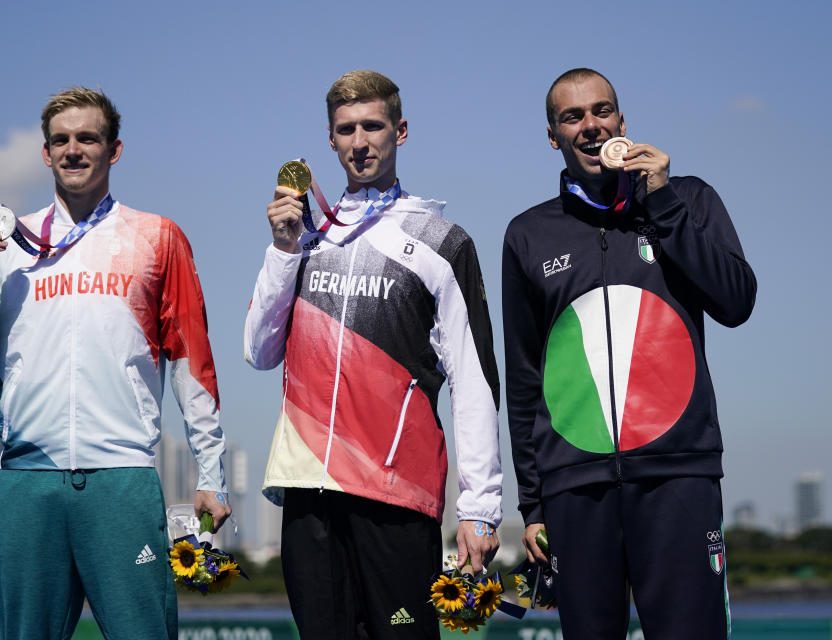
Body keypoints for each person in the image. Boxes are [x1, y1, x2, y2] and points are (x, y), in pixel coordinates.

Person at [0, 87, 230, 639]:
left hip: (121, 479)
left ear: (114, 149)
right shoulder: (7, 248)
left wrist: (212, 473)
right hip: (28, 483)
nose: (73, 150)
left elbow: (193, 360)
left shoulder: (157, 237)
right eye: (61, 140)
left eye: (87, 138)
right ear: (45, 153)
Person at [244, 70, 502, 638]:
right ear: (330, 140)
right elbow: (259, 351)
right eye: (345, 130)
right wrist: (283, 250)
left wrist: (479, 506)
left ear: (400, 131)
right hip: (307, 485)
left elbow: (475, 380)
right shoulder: (307, 235)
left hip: (396, 492)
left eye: (372, 126)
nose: (359, 141)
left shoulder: (442, 240)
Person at [502, 68, 757, 639]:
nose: (590, 126)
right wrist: (533, 504)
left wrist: (663, 203)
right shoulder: (527, 234)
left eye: (602, 111)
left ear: (622, 122)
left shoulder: (688, 198)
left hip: (678, 476)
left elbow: (737, 301)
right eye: (572, 117)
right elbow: (523, 378)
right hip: (574, 487)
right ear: (553, 136)